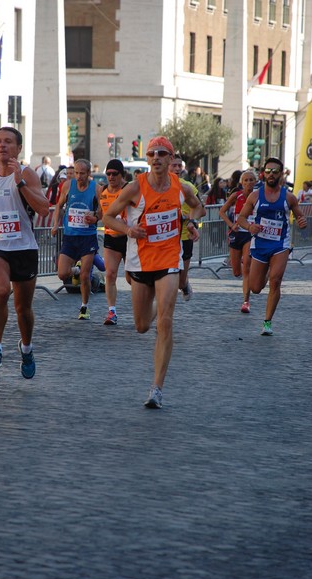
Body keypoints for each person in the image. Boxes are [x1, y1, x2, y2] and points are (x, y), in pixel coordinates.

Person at [103, 136, 204, 409]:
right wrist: (128, 230)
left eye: (162, 153)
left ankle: (157, 388)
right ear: (147, 159)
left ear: (171, 159)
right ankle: (160, 300)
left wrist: (191, 222)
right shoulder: (136, 188)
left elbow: (199, 206)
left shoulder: (181, 187)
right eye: (152, 154)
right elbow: (108, 217)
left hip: (170, 259)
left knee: (165, 323)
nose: (156, 157)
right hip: (140, 263)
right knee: (141, 326)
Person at [0, 126, 49, 376]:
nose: (2, 146)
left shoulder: (28, 174)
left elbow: (44, 209)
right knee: (2, 290)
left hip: (23, 247)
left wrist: (21, 184)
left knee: (23, 309)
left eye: (8, 142)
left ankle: (26, 349)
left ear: (18, 148)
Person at [237, 157, 307, 335]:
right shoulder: (255, 196)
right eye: (268, 171)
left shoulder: (289, 197)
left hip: (280, 244)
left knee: (275, 281)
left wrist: (302, 221)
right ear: (263, 174)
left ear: (281, 174)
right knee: (255, 288)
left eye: (275, 171)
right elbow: (241, 219)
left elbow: (300, 216)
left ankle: (267, 322)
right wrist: (250, 227)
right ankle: (267, 271)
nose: (271, 174)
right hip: (260, 244)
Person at [52, 159, 103, 320]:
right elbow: (59, 206)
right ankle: (76, 270)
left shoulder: (96, 189)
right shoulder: (68, 186)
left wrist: (95, 217)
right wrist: (55, 225)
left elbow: (103, 211)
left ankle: (84, 307)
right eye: (76, 173)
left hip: (87, 237)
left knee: (85, 276)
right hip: (70, 237)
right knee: (62, 274)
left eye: (82, 173)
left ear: (89, 174)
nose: (79, 176)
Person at [219, 170, 257, 313]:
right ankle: (251, 271)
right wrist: (231, 224)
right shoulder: (236, 196)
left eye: (251, 180)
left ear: (255, 182)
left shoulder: (259, 196)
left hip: (249, 234)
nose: (248, 183)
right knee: (236, 272)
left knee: (246, 266)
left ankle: (246, 302)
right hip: (236, 234)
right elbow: (222, 211)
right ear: (241, 182)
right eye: (246, 180)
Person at [169, 154, 203, 301]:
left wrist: (191, 221)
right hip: (167, 239)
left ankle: (185, 283)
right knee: (166, 279)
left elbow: (201, 209)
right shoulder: (156, 187)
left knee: (180, 282)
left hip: (185, 236)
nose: (177, 169)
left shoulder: (188, 187)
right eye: (174, 165)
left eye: (179, 166)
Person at [99, 158, 129, 325]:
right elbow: (100, 213)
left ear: (121, 174)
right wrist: (93, 217)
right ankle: (112, 312)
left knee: (133, 279)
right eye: (108, 174)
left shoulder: (128, 189)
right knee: (110, 275)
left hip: (129, 238)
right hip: (111, 237)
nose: (111, 177)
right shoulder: (103, 190)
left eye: (114, 174)